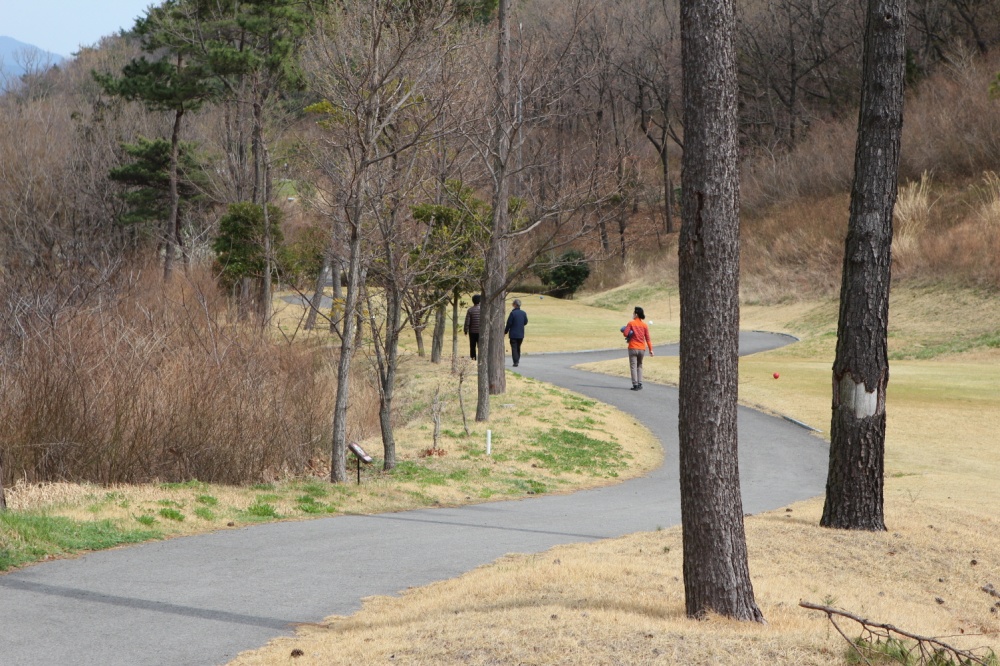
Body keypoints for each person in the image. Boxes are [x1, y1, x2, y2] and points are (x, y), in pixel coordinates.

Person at [622, 306, 653, 390]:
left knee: (633, 366)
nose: (632, 314)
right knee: (639, 365)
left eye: (633, 313)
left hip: (633, 347)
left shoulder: (631, 323)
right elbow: (648, 338)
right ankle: (640, 383)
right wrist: (651, 350)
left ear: (636, 314)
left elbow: (625, 333)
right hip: (642, 348)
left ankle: (635, 384)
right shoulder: (644, 325)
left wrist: (625, 330)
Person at [504, 298, 528, 367]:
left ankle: (515, 361)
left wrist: (505, 331)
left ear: (514, 305)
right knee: (518, 347)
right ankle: (517, 359)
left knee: (514, 348)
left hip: (513, 334)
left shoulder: (512, 313)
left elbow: (509, 323)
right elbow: (525, 322)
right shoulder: (523, 313)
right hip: (521, 333)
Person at [463, 294, 482, 360]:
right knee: (481, 346)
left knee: (472, 346)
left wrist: (465, 330)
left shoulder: (470, 310)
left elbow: (467, 321)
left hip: (472, 331)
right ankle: (481, 358)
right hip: (481, 331)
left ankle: (473, 358)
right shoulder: (483, 310)